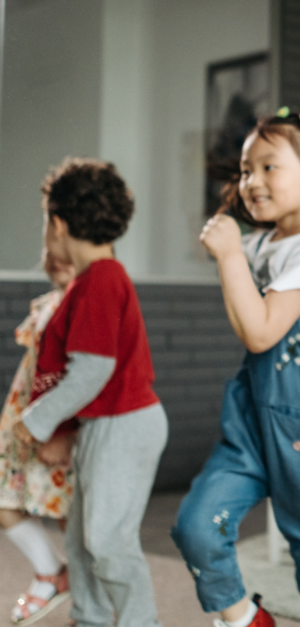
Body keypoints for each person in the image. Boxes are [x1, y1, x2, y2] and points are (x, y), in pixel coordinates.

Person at [172, 108, 300, 627]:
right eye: (245, 169)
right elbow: (245, 328)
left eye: (269, 167)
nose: (252, 181)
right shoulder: (259, 243)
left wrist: (230, 256)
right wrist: (234, 252)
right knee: (196, 525)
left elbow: (259, 331)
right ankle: (247, 619)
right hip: (252, 420)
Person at [14, 158, 167, 627]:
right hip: (104, 425)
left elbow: (91, 372)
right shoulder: (89, 281)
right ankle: (91, 618)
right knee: (82, 540)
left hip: (124, 423)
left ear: (57, 223)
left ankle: (142, 622)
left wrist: (35, 420)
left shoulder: (101, 280)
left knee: (107, 541)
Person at [0, 250, 76, 623]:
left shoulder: (83, 305)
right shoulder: (50, 303)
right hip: (25, 423)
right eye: (52, 247)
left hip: (56, 430)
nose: (57, 257)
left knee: (69, 514)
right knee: (5, 501)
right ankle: (50, 573)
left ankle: (86, 595)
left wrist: (61, 431)